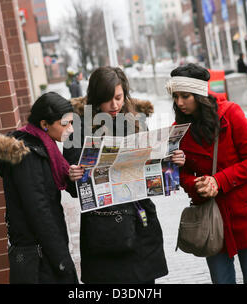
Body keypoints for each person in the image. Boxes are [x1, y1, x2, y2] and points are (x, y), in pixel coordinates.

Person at [166, 63, 247, 284]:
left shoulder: (231, 113)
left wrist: (219, 180)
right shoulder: (178, 129)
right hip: (212, 221)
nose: (179, 103)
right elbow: (182, 173)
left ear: (199, 94)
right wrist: (196, 185)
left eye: (185, 96)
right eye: (176, 96)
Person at [64, 66, 169, 284]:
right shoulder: (78, 127)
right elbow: (74, 188)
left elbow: (151, 169)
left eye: (119, 97)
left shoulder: (136, 120)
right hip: (104, 228)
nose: (114, 105)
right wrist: (72, 176)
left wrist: (169, 163)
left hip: (140, 220)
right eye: (107, 99)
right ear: (95, 98)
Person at [0, 92, 79, 284]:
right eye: (65, 123)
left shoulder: (44, 147)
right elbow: (40, 212)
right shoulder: (29, 156)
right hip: (38, 256)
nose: (71, 129)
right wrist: (62, 260)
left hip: (42, 251)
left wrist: (69, 176)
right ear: (45, 124)